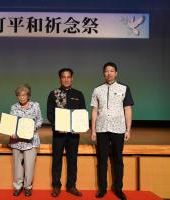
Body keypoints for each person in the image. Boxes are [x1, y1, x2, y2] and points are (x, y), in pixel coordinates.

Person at [91, 62, 134, 200]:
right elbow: (95, 110)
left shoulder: (124, 88)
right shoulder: (97, 89)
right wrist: (93, 130)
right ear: (103, 73)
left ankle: (118, 188)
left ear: (116, 73)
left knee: (118, 159)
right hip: (102, 128)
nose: (109, 73)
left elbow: (128, 109)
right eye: (106, 71)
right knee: (102, 159)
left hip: (118, 128)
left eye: (111, 71)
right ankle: (102, 189)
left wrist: (128, 129)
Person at [47, 68, 86, 197]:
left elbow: (82, 114)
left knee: (72, 160)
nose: (66, 79)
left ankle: (71, 186)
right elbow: (50, 114)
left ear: (72, 78)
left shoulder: (79, 94)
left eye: (68, 77)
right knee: (57, 160)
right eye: (63, 77)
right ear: (60, 79)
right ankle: (56, 186)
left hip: (73, 135)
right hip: (59, 134)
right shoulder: (54, 94)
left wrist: (79, 126)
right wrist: (58, 125)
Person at [9, 84, 43, 197]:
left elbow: (40, 120)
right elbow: (11, 123)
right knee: (17, 166)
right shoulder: (14, 107)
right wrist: (11, 132)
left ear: (28, 96)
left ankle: (27, 187)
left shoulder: (35, 105)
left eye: (24, 95)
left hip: (31, 141)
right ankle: (18, 187)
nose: (22, 97)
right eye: (19, 95)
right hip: (17, 141)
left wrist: (35, 127)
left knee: (29, 166)